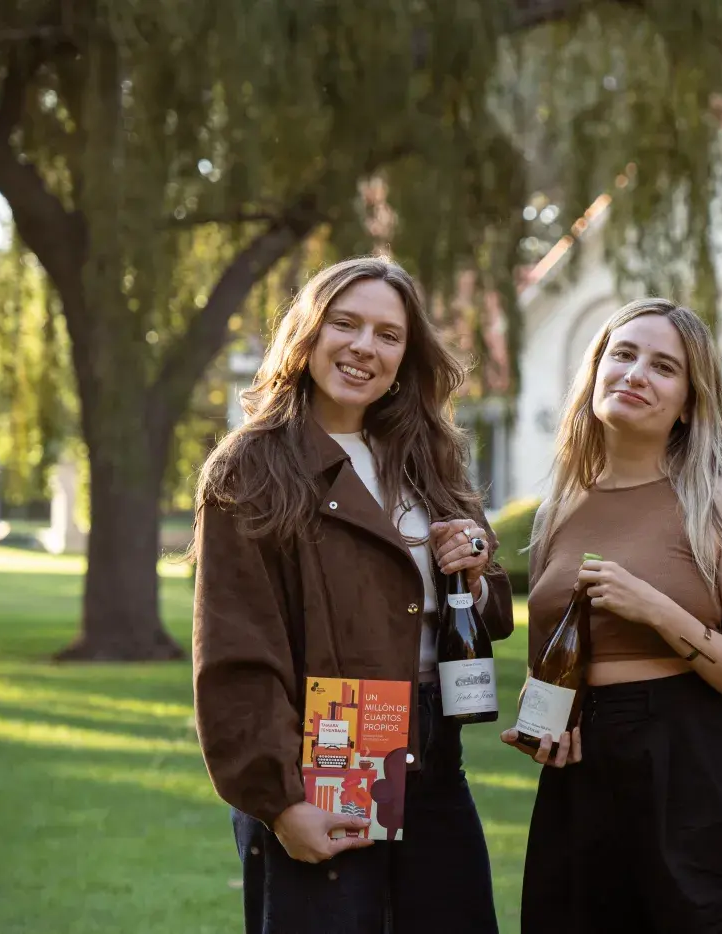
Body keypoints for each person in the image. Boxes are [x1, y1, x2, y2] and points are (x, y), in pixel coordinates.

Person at [191, 256, 514, 933]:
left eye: (388, 334)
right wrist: (282, 804)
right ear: (307, 334)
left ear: (407, 353)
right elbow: (236, 656)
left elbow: (491, 607)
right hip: (321, 765)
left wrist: (477, 571)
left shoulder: (429, 454)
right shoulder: (251, 468)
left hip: (434, 761)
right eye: (346, 324)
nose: (365, 347)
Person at [501, 298, 722, 934]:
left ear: (690, 401)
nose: (636, 374)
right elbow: (551, 670)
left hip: (700, 770)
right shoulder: (557, 510)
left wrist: (660, 612)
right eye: (623, 354)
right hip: (585, 785)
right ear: (595, 371)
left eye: (664, 367)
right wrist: (548, 724)